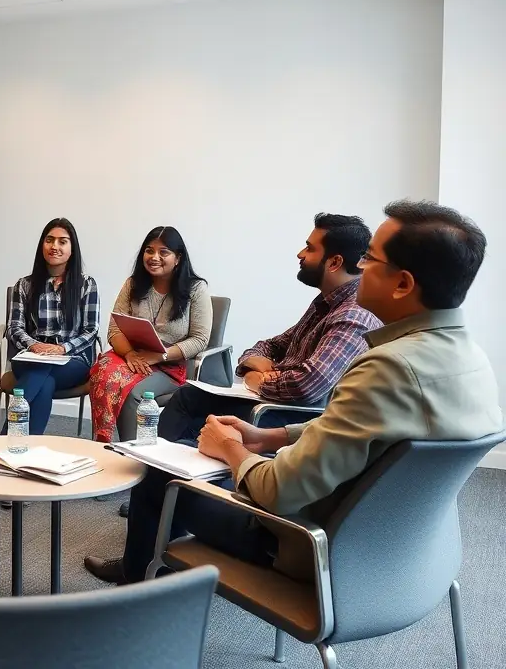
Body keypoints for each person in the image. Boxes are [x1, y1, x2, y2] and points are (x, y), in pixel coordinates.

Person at [85, 200, 502, 586]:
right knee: (192, 428)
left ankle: (140, 585)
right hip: (405, 554)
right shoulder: (471, 361)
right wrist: (271, 437)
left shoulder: (387, 368)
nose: (361, 267)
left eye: (370, 259)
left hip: (305, 543)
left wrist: (231, 449)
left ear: (402, 284)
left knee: (160, 477)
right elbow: (367, 432)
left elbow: (276, 491)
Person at [157, 213, 382, 443]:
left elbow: (306, 386)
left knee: (200, 425)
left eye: (309, 248)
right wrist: (255, 365)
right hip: (274, 402)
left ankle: (175, 472)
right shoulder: (324, 304)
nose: (300, 254)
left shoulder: (354, 315)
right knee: (188, 397)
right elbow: (269, 345)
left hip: (294, 417)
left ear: (334, 262)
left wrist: (259, 380)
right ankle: (161, 467)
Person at [88, 226, 212, 443]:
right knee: (103, 374)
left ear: (178, 258)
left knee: (131, 392)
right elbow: (115, 328)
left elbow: (200, 339)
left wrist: (160, 356)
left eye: (163, 252)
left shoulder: (196, 289)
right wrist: (129, 354)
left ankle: (135, 454)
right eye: (149, 250)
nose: (155, 257)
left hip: (169, 365)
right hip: (131, 356)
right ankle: (103, 442)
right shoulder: (133, 284)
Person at [5, 218, 99, 435]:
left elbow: (91, 329)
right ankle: (20, 443)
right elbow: (14, 327)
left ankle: (6, 438)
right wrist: (34, 345)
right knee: (43, 376)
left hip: (72, 361)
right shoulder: (24, 285)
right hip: (31, 358)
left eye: (62, 241)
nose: (55, 246)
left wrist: (62, 349)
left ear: (72, 249)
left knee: (44, 379)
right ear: (42, 245)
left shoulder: (86, 284)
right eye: (49, 240)